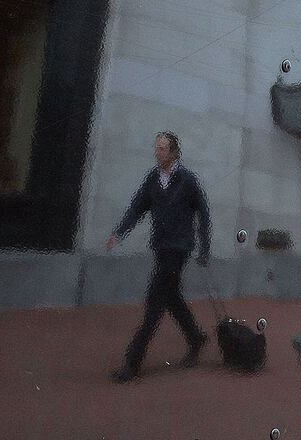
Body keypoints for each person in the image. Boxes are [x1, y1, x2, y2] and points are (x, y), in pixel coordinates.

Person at [108, 131, 211, 383]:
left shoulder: (187, 181)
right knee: (172, 298)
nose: (158, 152)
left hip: (179, 249)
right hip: (161, 247)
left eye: (163, 149)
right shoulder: (153, 179)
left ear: (174, 152)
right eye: (157, 148)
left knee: (154, 304)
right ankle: (195, 337)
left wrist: (204, 248)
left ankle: (132, 363)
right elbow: (137, 207)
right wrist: (119, 233)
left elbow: (203, 213)